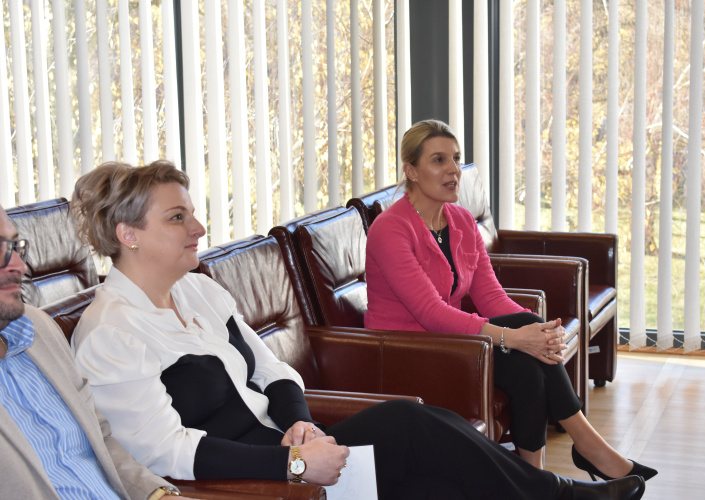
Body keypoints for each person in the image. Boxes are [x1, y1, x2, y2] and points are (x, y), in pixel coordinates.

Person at [68, 160, 645, 500]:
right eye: (178, 218)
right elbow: (164, 451)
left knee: (441, 477)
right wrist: (294, 464)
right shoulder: (110, 334)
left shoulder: (199, 291)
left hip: (297, 449)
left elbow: (275, 371)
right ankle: (563, 496)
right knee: (410, 424)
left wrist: (299, 423)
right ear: (128, 235)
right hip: (257, 481)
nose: (198, 227)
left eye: (192, 212)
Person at [364, 119, 658, 481]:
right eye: (439, 160)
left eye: (456, 158)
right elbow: (430, 313)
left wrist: (539, 333)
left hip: (452, 343)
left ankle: (536, 479)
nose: (454, 169)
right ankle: (588, 449)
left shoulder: (461, 221)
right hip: (406, 350)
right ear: (411, 171)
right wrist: (515, 336)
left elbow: (491, 297)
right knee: (524, 340)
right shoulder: (390, 229)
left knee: (528, 365)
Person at [0, 203, 183, 499]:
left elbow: (101, 441)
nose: (19, 266)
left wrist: (157, 495)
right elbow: (170, 448)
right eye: (177, 217)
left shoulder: (38, 329)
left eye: (14, 246)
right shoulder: (109, 328)